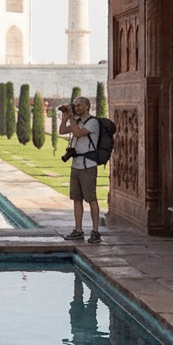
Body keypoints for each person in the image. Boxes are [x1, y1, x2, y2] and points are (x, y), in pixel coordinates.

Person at [58, 96, 102, 244]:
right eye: (74, 106)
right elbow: (62, 131)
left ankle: (95, 231)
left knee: (91, 199)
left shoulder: (93, 122)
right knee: (77, 199)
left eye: (78, 106)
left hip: (88, 165)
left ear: (86, 106)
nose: (76, 108)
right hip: (76, 165)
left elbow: (77, 133)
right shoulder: (77, 121)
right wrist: (65, 117)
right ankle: (78, 230)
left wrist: (71, 118)